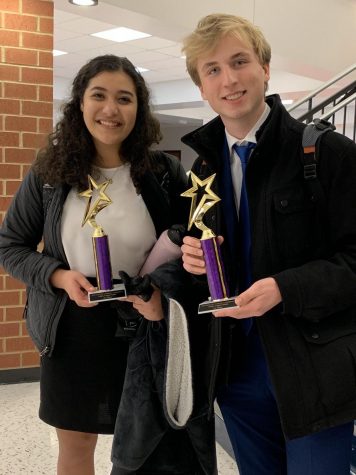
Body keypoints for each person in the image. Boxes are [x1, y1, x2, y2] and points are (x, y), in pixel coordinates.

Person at [180, 13, 356, 475]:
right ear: (201, 87)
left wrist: (285, 287)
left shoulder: (328, 154)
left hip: (313, 369)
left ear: (265, 68)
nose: (229, 79)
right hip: (236, 373)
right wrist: (193, 259)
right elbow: (208, 249)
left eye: (240, 61)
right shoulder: (202, 170)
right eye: (212, 70)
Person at [0, 54, 190, 475]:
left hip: (144, 324)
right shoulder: (50, 173)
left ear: (138, 109)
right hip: (72, 327)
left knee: (146, 446)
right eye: (98, 96)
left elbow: (191, 247)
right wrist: (57, 275)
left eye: (124, 98)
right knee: (76, 443)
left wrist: (164, 292)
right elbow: (9, 245)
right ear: (80, 104)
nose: (110, 110)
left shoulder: (164, 173)